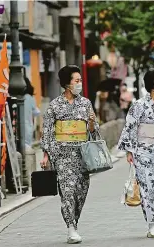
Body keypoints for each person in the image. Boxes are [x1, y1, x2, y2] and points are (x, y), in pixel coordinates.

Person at [40, 65, 100, 244]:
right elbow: (48, 131)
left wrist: (90, 124)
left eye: (80, 80)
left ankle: (74, 220)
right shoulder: (54, 106)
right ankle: (71, 227)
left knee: (81, 192)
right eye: (77, 80)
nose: (80, 83)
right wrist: (46, 155)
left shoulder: (86, 103)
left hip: (83, 154)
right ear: (67, 83)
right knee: (67, 191)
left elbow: (94, 132)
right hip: (63, 154)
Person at [117, 68, 154, 238]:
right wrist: (129, 150)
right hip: (142, 152)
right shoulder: (139, 105)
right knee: (147, 188)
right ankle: (151, 223)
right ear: (152, 86)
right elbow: (130, 126)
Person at [24, 77, 40, 148]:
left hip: (16, 127)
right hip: (28, 126)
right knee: (27, 148)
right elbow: (36, 112)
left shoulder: (13, 97)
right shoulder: (30, 98)